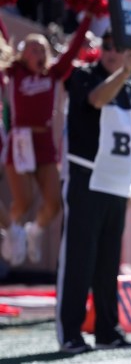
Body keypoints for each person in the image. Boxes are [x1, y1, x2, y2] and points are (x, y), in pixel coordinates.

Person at [56, 32, 131, 354]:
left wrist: (129, 180)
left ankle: (108, 329)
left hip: (116, 185)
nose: (111, 52)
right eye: (107, 46)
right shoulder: (83, 75)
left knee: (109, 264)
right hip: (88, 179)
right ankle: (71, 333)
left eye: (119, 48)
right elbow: (96, 100)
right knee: (79, 260)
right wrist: (124, 72)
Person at [1, 24, 90, 266]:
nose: (37, 53)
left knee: (53, 203)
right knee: (24, 200)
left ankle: (33, 232)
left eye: (41, 49)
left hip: (44, 142)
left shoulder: (53, 74)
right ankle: (12, 233)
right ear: (22, 54)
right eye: (31, 49)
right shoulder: (14, 72)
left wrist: (88, 17)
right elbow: (4, 44)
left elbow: (72, 52)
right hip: (20, 141)